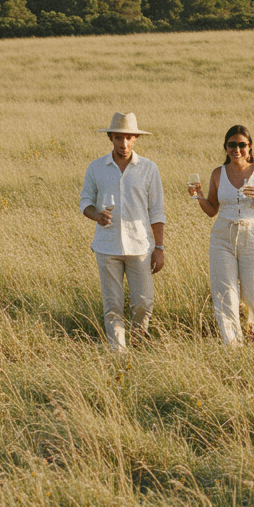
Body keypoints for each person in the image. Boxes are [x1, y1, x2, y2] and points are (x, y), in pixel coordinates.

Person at [79, 112, 166, 351]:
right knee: (112, 305)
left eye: (128, 137)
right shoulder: (97, 167)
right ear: (110, 138)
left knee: (142, 302)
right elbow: (85, 200)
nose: (123, 144)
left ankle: (137, 344)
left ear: (135, 138)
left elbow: (157, 212)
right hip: (107, 247)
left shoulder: (149, 168)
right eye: (119, 138)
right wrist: (96, 215)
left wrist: (159, 248)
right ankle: (118, 355)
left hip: (140, 247)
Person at [189, 125, 254, 345]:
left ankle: (253, 333)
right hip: (222, 236)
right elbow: (212, 210)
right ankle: (233, 346)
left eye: (242, 145)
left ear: (250, 147)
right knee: (225, 293)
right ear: (226, 147)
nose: (237, 149)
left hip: (252, 235)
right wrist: (200, 196)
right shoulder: (218, 173)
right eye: (232, 145)